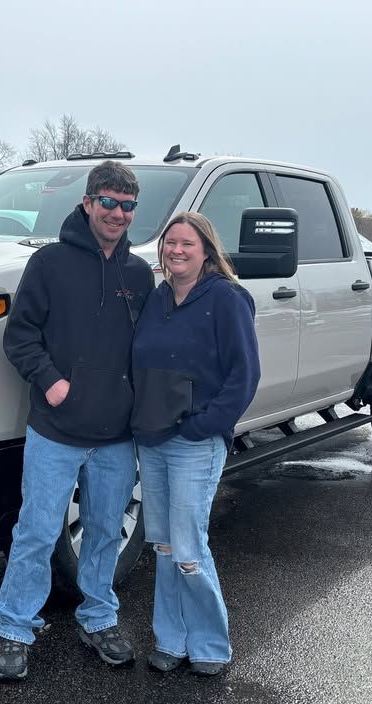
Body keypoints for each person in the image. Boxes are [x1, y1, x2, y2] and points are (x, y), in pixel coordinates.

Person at [0, 161, 155, 682]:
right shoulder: (50, 264)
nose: (118, 214)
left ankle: (98, 618)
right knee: (37, 533)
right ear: (87, 204)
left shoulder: (138, 274)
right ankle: (15, 630)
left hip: (115, 437)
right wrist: (52, 382)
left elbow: (149, 350)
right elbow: (18, 336)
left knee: (106, 531)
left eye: (128, 206)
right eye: (108, 202)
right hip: (56, 431)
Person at [130, 211, 260, 677]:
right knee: (162, 545)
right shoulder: (157, 298)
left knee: (187, 548)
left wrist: (204, 425)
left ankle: (209, 643)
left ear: (206, 250)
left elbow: (244, 376)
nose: (176, 251)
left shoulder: (226, 299)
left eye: (187, 243)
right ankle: (171, 639)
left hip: (193, 443)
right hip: (151, 438)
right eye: (170, 244)